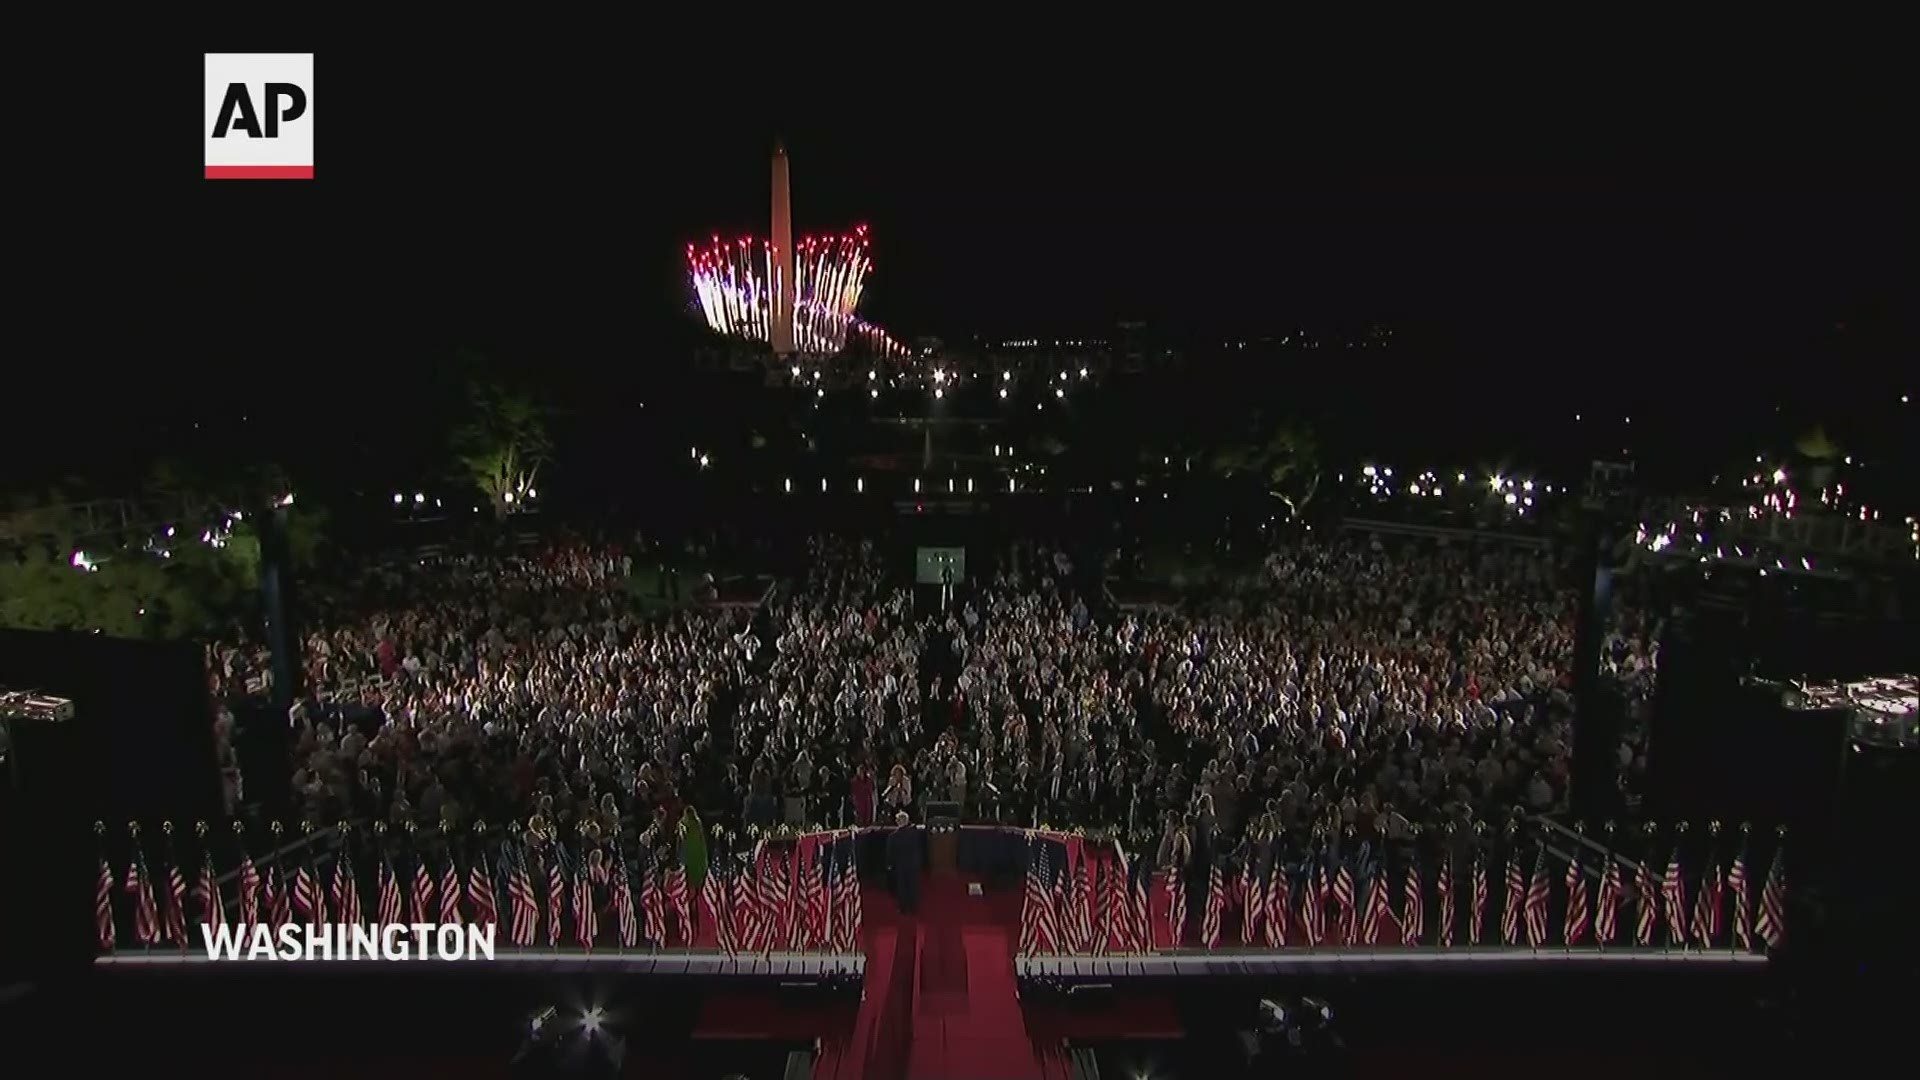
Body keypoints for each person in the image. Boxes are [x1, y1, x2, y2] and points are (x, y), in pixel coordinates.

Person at [886, 811, 922, 915]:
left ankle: (903, 908)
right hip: (913, 864)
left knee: (902, 886)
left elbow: (890, 853)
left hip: (900, 865)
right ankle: (913, 907)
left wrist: (890, 865)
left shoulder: (893, 837)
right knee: (913, 885)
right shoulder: (914, 833)